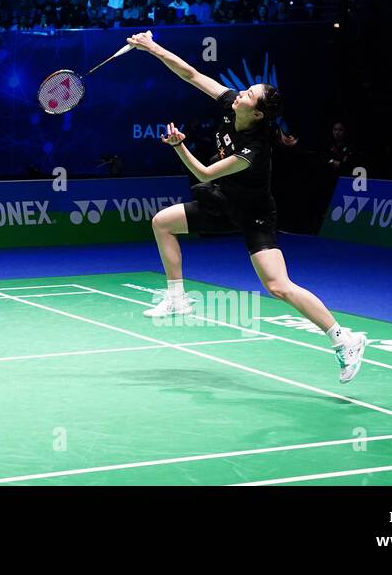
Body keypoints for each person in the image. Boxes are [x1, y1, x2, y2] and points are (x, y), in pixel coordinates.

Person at [125, 32, 367, 383]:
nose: (240, 93)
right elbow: (191, 74)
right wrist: (151, 47)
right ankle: (177, 298)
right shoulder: (230, 105)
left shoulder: (254, 148)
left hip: (255, 215)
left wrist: (179, 146)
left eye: (248, 94)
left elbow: (204, 173)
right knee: (162, 222)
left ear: (256, 113)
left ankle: (344, 339)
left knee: (279, 286)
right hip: (224, 203)